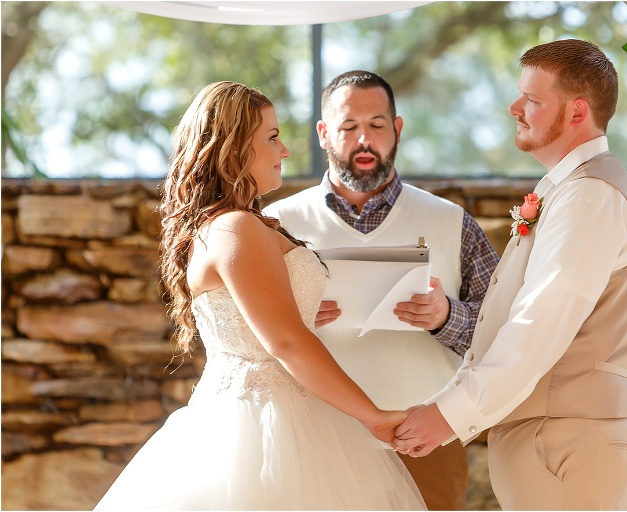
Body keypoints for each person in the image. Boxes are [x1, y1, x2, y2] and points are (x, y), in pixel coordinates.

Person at [94, 81, 425, 510]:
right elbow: (285, 342)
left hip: (287, 417)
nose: (285, 150)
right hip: (262, 430)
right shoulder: (236, 228)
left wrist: (301, 311)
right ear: (232, 148)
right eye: (272, 137)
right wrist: (373, 418)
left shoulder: (236, 224)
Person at [392, 39, 627, 510]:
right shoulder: (569, 190)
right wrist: (444, 406)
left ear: (578, 112)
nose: (515, 108)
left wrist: (447, 417)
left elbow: (538, 325)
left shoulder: (588, 198)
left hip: (567, 445)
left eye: (533, 100)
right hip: (554, 441)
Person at [264, 70, 499, 510]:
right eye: (349, 127)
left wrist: (446, 317)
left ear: (398, 129)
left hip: (423, 442)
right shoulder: (276, 224)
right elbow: (242, 337)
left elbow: (503, 331)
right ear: (323, 134)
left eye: (377, 125)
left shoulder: (452, 222)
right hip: (312, 440)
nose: (364, 140)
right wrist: (291, 319)